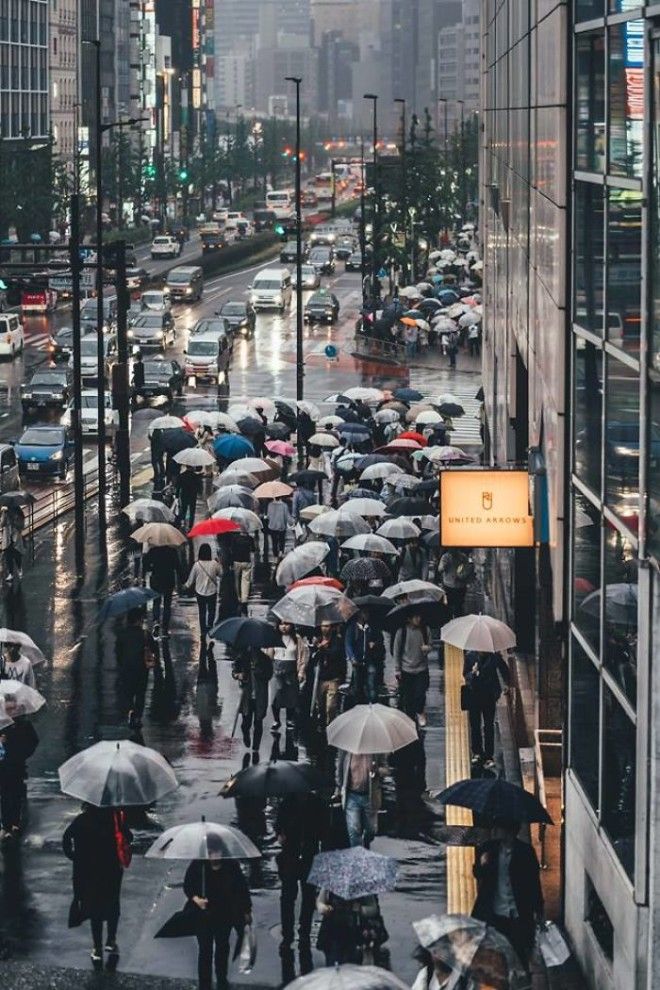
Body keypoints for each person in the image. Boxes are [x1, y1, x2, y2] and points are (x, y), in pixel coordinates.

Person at [63, 804, 132, 965]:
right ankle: (111, 940)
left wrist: (73, 856)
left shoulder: (81, 820)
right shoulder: (114, 818)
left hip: (88, 872)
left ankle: (97, 947)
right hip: (111, 870)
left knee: (94, 908)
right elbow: (129, 837)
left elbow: (66, 838)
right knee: (113, 903)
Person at [472, 824, 544, 968]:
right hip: (495, 913)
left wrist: (539, 910)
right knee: (496, 957)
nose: (495, 830)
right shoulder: (489, 848)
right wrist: (482, 864)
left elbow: (533, 884)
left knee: (520, 955)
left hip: (519, 914)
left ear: (509, 830)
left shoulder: (526, 852)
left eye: (499, 827)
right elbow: (478, 874)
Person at [183, 858, 252, 990]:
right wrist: (196, 899)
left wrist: (247, 910)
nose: (215, 856)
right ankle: (205, 984)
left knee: (222, 947)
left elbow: (242, 888)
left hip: (224, 914)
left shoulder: (231, 865)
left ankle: (222, 980)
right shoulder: (198, 864)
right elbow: (188, 885)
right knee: (205, 950)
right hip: (203, 916)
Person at [276, 792, 326, 954]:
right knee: (288, 897)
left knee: (308, 896)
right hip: (290, 854)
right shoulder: (287, 803)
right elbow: (278, 825)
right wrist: (280, 834)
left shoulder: (317, 803)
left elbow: (323, 830)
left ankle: (304, 932)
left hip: (309, 856)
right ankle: (288, 934)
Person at [463, 649, 510, 769]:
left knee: (489, 725)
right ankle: (477, 752)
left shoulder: (494, 657)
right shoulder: (470, 656)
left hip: (489, 696)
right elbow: (465, 674)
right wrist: (472, 673)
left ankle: (489, 755)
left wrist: (507, 685)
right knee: (475, 724)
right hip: (474, 695)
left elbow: (504, 670)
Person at [0, 696, 38, 838]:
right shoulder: (2, 724)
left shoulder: (24, 725)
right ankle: (6, 824)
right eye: (8, 709)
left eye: (12, 709)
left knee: (15, 795)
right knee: (5, 795)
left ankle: (14, 822)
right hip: (3, 766)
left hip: (17, 765)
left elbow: (33, 741)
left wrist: (23, 754)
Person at [336, 749, 387, 848]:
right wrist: (339, 788)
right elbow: (340, 769)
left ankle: (366, 843)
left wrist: (377, 770)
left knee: (371, 830)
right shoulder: (346, 750)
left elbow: (386, 770)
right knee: (354, 830)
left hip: (370, 797)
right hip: (352, 796)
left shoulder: (376, 750)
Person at [115, 608, 157, 727]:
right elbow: (154, 649)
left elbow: (117, 652)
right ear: (139, 620)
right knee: (140, 693)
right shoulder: (145, 634)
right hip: (141, 669)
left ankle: (131, 710)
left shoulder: (122, 634)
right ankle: (137, 716)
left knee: (127, 692)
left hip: (126, 668)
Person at [267, 620, 307, 731]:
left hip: (291, 669)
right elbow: (269, 655)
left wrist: (301, 672)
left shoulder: (297, 639)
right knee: (275, 695)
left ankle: (289, 719)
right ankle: (276, 720)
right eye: (281, 624)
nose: (284, 627)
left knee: (291, 696)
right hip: (277, 669)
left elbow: (302, 656)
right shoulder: (274, 637)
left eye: (287, 624)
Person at [393, 614, 431, 727]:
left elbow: (430, 644)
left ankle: (420, 712)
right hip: (406, 670)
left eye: (419, 617)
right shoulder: (402, 631)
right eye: (415, 617)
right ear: (409, 618)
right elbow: (397, 651)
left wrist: (427, 648)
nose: (418, 619)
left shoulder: (425, 629)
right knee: (408, 698)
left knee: (420, 693)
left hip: (421, 669)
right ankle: (410, 719)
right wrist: (397, 669)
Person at [233, 648, 273, 752]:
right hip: (247, 696)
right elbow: (235, 672)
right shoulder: (242, 658)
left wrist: (258, 672)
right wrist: (238, 675)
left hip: (260, 695)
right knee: (246, 723)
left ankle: (256, 747)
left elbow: (269, 674)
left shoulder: (265, 659)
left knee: (258, 721)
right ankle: (246, 735)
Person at [143, 543, 185, 637]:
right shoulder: (172, 551)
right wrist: (183, 579)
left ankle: (156, 621)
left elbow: (145, 564)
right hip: (168, 579)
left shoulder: (152, 551)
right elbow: (177, 566)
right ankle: (165, 628)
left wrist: (151, 568)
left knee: (156, 602)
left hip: (156, 579)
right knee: (167, 604)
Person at [309, 622, 346, 727]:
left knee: (331, 706)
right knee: (319, 705)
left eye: (328, 626)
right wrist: (317, 649)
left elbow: (337, 656)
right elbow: (312, 660)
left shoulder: (337, 641)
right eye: (323, 626)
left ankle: (330, 726)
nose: (325, 629)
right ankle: (321, 722)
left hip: (333, 677)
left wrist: (325, 650)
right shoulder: (318, 640)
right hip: (320, 678)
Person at [345, 611, 384, 704]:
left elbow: (380, 640)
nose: (367, 615)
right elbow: (348, 644)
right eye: (364, 613)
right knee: (358, 686)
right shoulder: (352, 628)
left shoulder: (371, 628)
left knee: (371, 685)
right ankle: (359, 705)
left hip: (369, 660)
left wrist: (374, 644)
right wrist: (352, 657)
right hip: (357, 661)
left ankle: (372, 704)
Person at [183, 544, 221, 639]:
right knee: (212, 610)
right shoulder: (214, 563)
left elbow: (191, 580)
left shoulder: (197, 565)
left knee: (202, 612)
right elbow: (221, 574)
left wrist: (185, 586)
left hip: (200, 592)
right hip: (212, 591)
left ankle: (203, 631)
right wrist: (219, 562)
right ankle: (210, 627)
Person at [438, 549, 474, 618]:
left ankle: (458, 620)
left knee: (459, 606)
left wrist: (461, 576)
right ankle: (450, 620)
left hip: (460, 586)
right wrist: (444, 566)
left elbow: (467, 569)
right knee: (449, 605)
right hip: (448, 585)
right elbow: (440, 569)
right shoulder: (445, 557)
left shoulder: (462, 557)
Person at [228, 530, 255, 614]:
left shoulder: (235, 538)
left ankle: (238, 597)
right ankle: (244, 599)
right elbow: (253, 550)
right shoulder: (250, 538)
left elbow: (231, 550)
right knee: (245, 581)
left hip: (236, 561)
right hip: (246, 561)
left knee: (236, 580)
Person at [176, 467, 203, 531]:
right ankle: (191, 526)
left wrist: (177, 495)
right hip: (193, 496)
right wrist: (199, 492)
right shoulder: (196, 476)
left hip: (184, 495)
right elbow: (199, 487)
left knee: (183, 509)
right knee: (192, 511)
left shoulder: (182, 475)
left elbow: (178, 486)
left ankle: (182, 523)